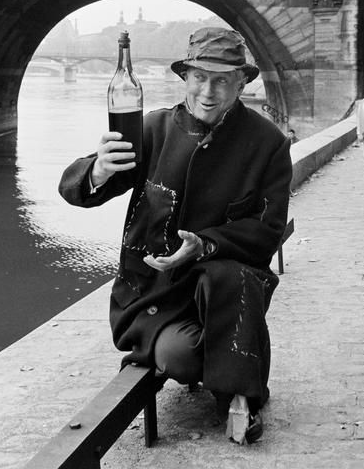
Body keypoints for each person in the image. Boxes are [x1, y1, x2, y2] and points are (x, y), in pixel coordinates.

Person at [58, 27, 292, 445]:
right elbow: (77, 191)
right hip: (153, 293)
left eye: (222, 79)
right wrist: (97, 171)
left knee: (226, 278)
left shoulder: (268, 143)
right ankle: (240, 356)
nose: (208, 91)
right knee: (177, 359)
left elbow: (268, 231)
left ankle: (243, 392)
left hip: (223, 287)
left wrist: (203, 245)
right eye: (200, 77)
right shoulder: (152, 130)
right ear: (185, 77)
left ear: (242, 82)